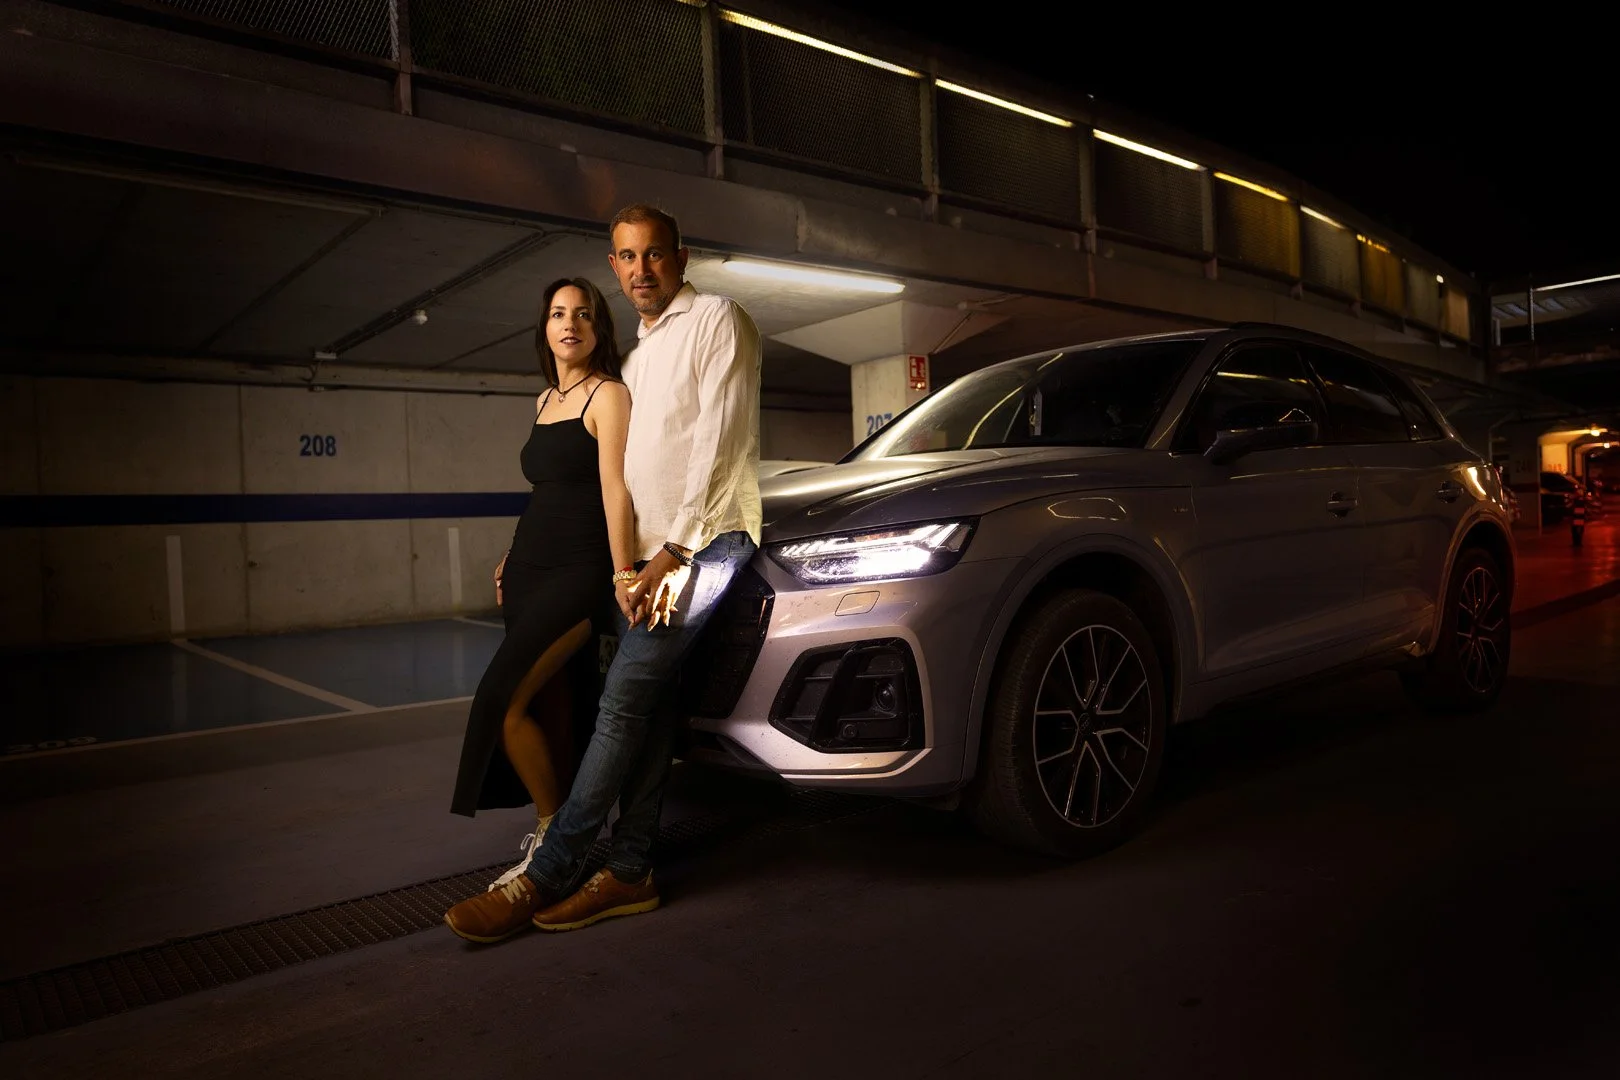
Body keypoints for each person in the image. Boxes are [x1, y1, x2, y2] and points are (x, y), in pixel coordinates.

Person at [444, 202, 762, 940]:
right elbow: (609, 479)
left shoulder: (718, 318)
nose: (641, 269)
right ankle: (632, 869)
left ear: (681, 256)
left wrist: (673, 554)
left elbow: (717, 445)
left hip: (706, 543)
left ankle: (548, 871)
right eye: (627, 257)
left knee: (621, 700)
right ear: (614, 266)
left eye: (654, 254)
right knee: (645, 709)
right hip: (645, 560)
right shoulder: (634, 361)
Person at [445, 276, 637, 939]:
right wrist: (511, 552)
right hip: (527, 569)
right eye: (558, 313)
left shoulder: (607, 394)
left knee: (504, 699)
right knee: (553, 705)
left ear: (597, 328)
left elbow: (614, 489)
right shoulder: (545, 398)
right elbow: (549, 490)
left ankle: (555, 837)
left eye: (583, 313)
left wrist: (621, 572)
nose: (570, 323)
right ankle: (558, 839)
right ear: (545, 328)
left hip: (580, 571)